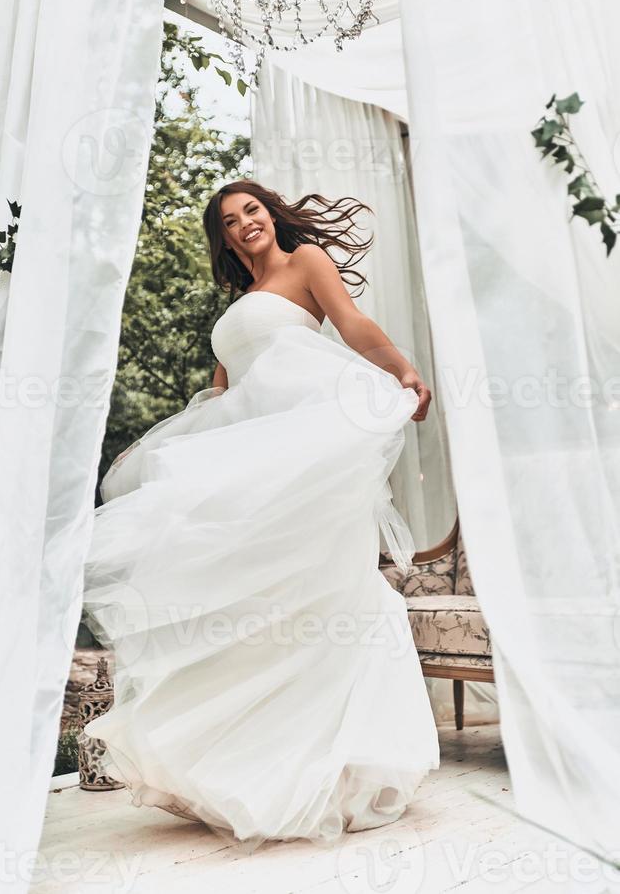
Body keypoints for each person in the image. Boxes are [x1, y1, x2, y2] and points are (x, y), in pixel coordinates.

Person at [81, 180, 440, 851]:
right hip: (252, 458)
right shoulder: (240, 302)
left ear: (271, 215)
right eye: (230, 219)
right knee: (251, 604)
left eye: (252, 210)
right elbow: (222, 395)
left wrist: (402, 369)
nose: (245, 222)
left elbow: (353, 324)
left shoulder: (306, 264)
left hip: (298, 451)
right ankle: (239, 763)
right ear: (224, 239)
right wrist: (165, 444)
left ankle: (335, 766)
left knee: (319, 598)